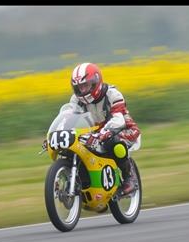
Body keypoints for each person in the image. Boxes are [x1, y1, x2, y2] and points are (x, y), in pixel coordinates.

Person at [48, 62, 141, 196]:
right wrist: (57, 133)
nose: (82, 90)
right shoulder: (75, 100)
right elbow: (68, 118)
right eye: (79, 87)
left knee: (114, 143)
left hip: (123, 130)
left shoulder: (113, 94)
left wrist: (102, 134)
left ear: (96, 81)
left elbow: (118, 120)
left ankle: (129, 177)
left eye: (85, 85)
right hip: (95, 131)